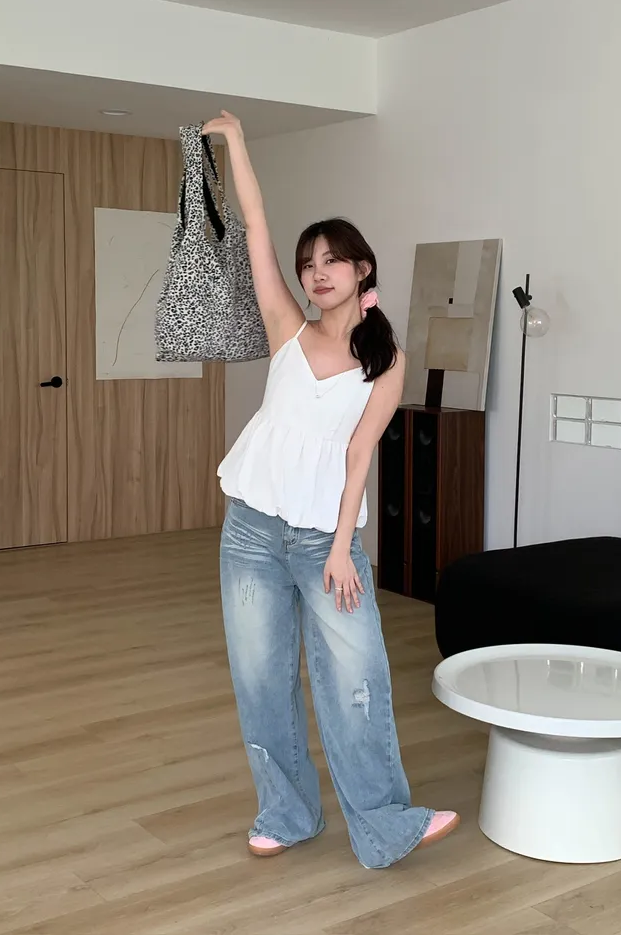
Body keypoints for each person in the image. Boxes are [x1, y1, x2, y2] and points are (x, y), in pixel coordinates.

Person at [203, 111, 460, 870]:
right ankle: (287, 814)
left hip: (325, 539)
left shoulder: (387, 359)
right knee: (261, 680)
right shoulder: (287, 328)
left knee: (355, 678)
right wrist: (237, 143)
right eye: (309, 262)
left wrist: (344, 547)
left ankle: (384, 823)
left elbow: (358, 453)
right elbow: (255, 225)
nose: (318, 273)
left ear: (362, 271)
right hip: (251, 529)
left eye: (333, 261)